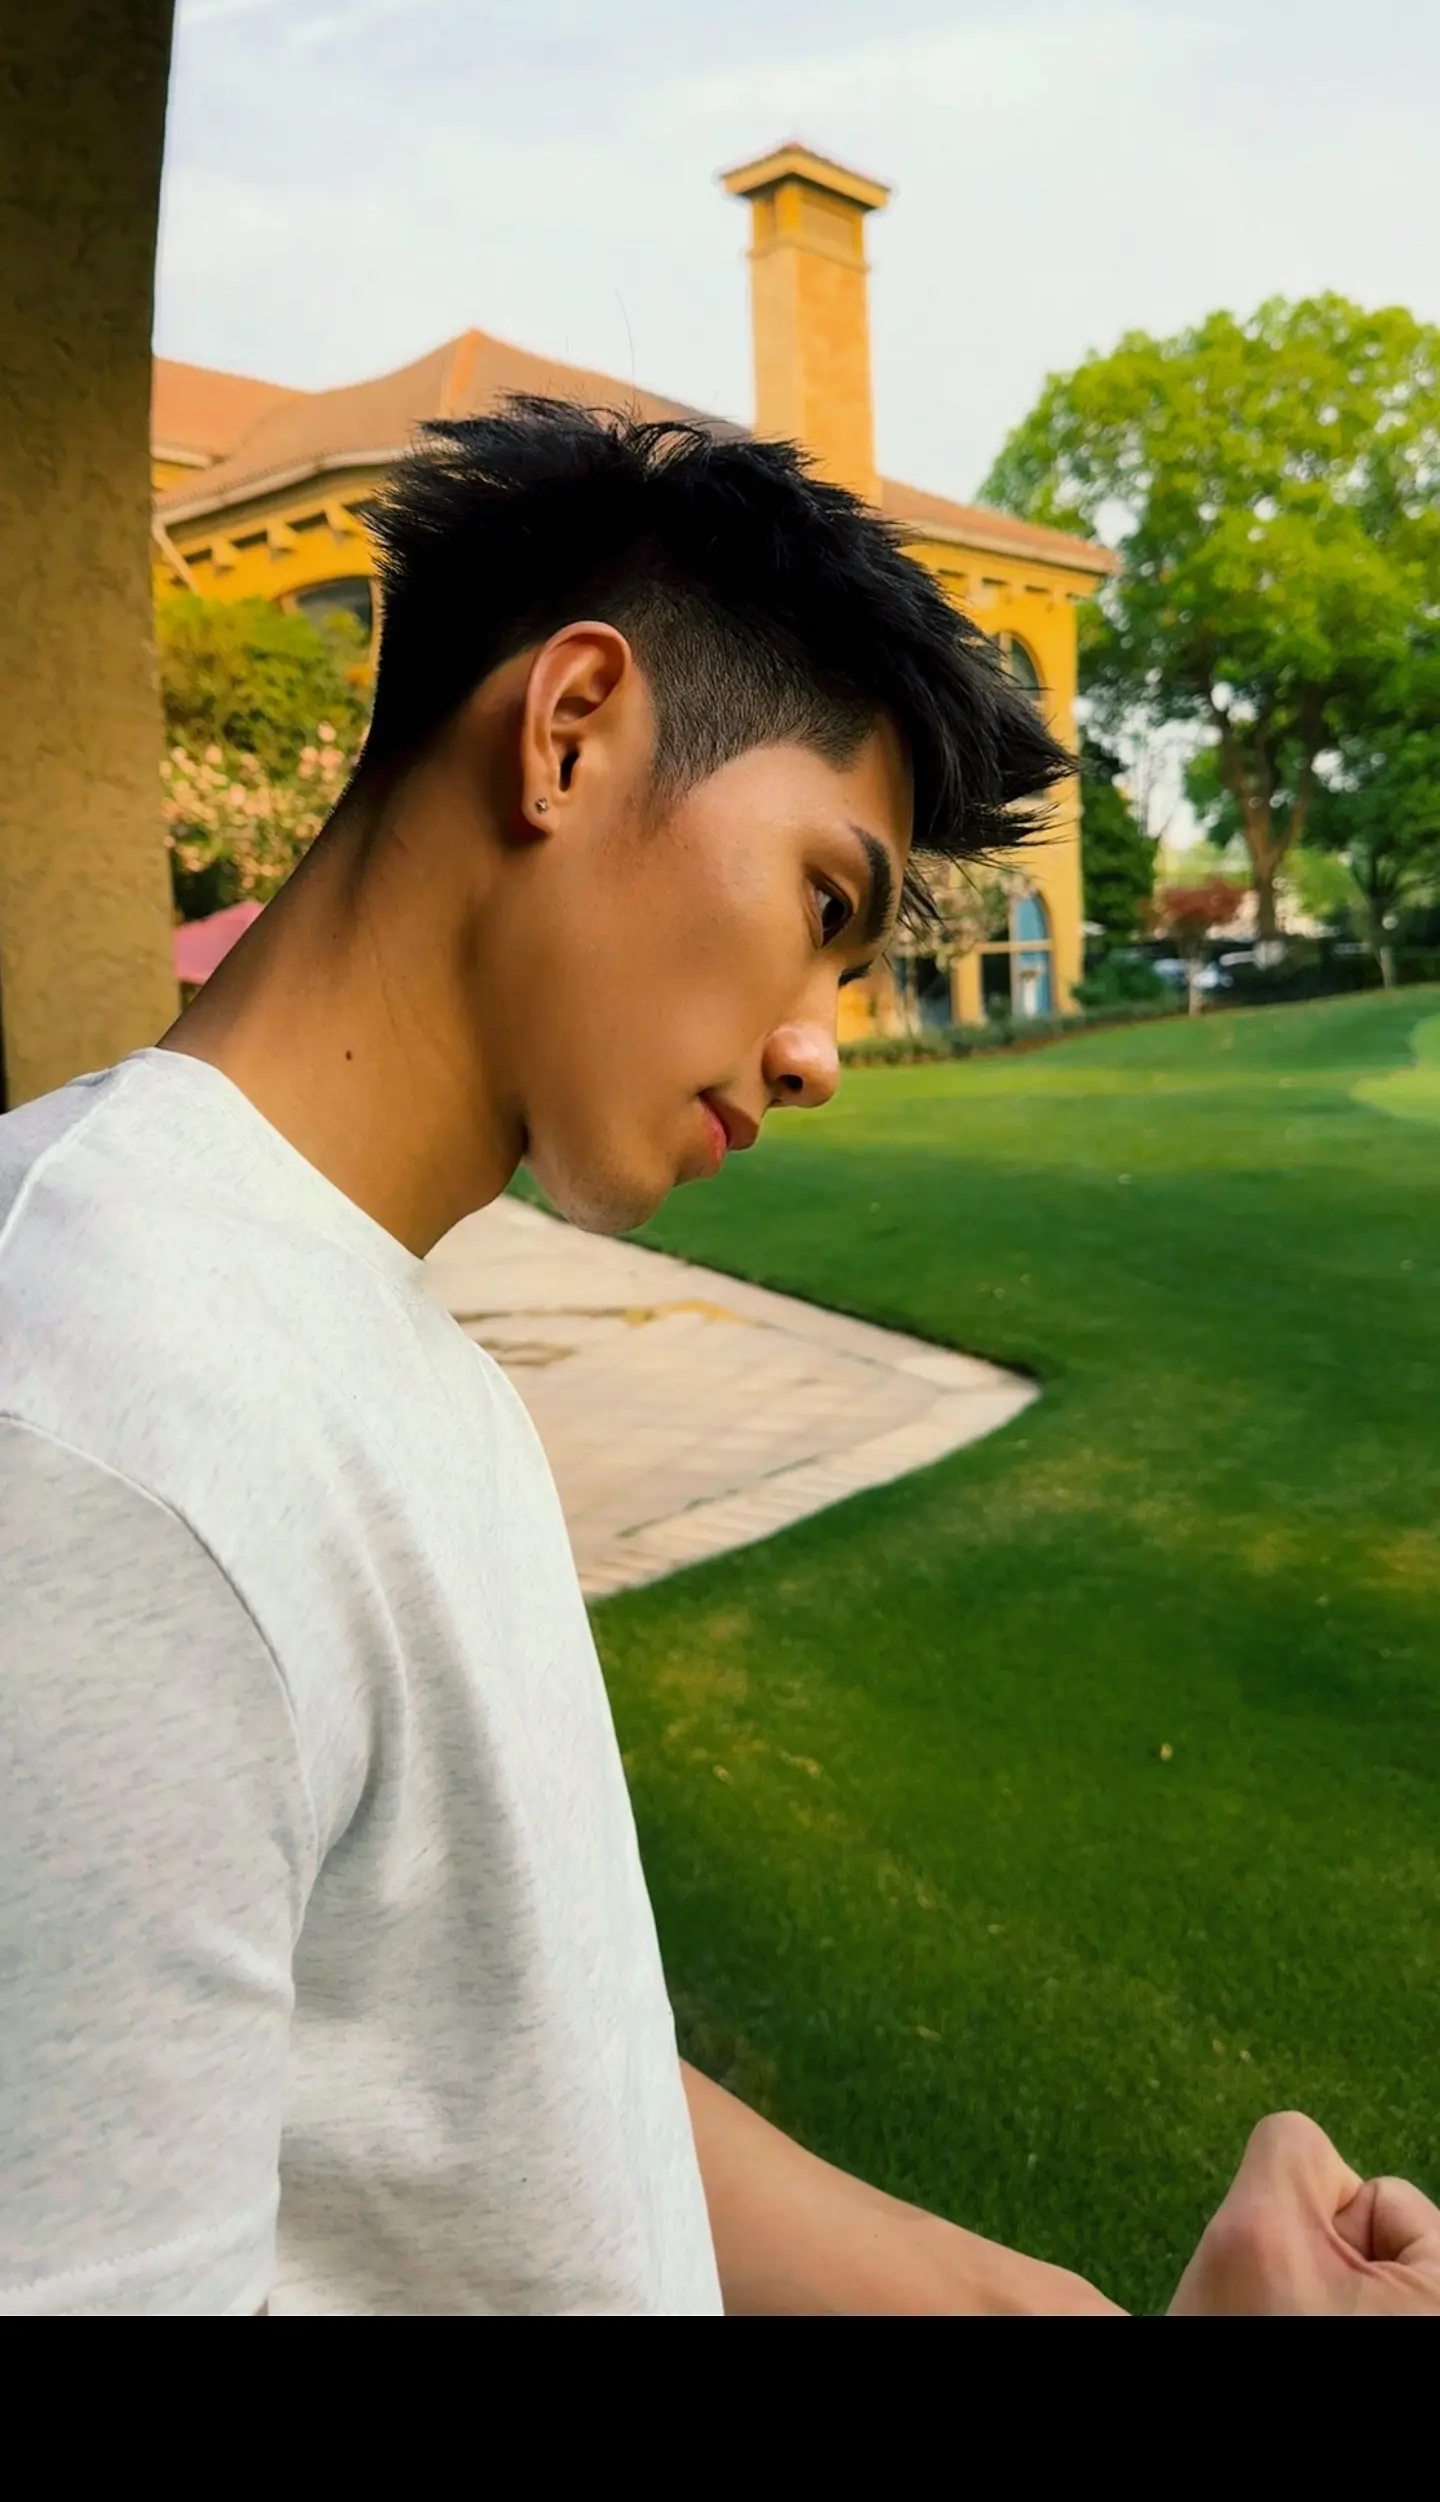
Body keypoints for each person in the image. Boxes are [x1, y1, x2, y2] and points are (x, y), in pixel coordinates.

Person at [1, 401, 1435, 2317]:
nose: (819, 1048)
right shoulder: (104, 1418)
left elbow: (515, 2070)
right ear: (571, 728)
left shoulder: (365, 1351)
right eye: (825, 906)